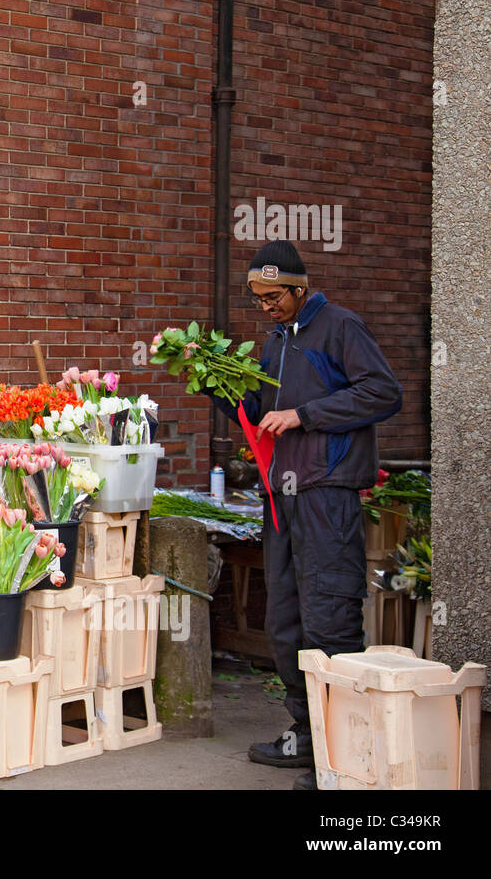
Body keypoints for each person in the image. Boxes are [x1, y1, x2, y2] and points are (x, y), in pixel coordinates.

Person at [210, 240, 402, 790]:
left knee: (330, 619)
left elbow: (384, 393)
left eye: (275, 296)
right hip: (283, 497)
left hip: (328, 494)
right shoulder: (275, 343)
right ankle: (306, 732)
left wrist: (307, 415)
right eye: (258, 298)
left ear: (299, 287)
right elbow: (259, 413)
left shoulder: (341, 327)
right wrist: (217, 386)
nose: (266, 306)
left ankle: (344, 753)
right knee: (287, 621)